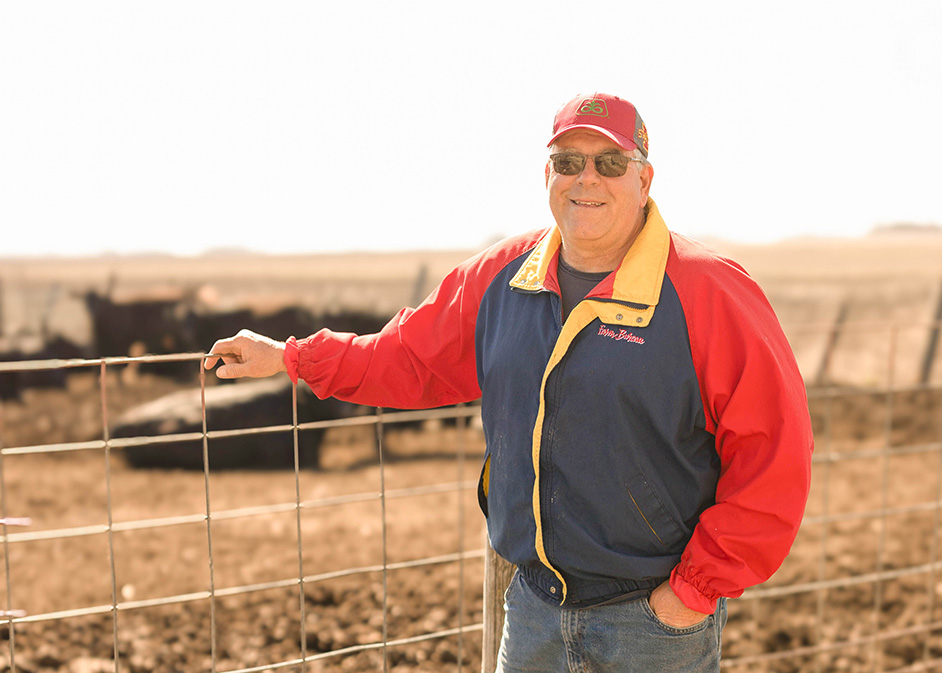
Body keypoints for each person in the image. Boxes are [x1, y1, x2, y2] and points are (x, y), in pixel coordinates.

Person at [205, 92, 814, 672]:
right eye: (568, 162)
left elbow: (775, 454)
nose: (587, 179)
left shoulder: (710, 292)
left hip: (652, 622)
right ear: (546, 175)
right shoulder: (503, 277)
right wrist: (291, 358)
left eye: (610, 162)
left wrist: (690, 592)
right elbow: (404, 358)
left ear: (644, 179)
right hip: (533, 611)